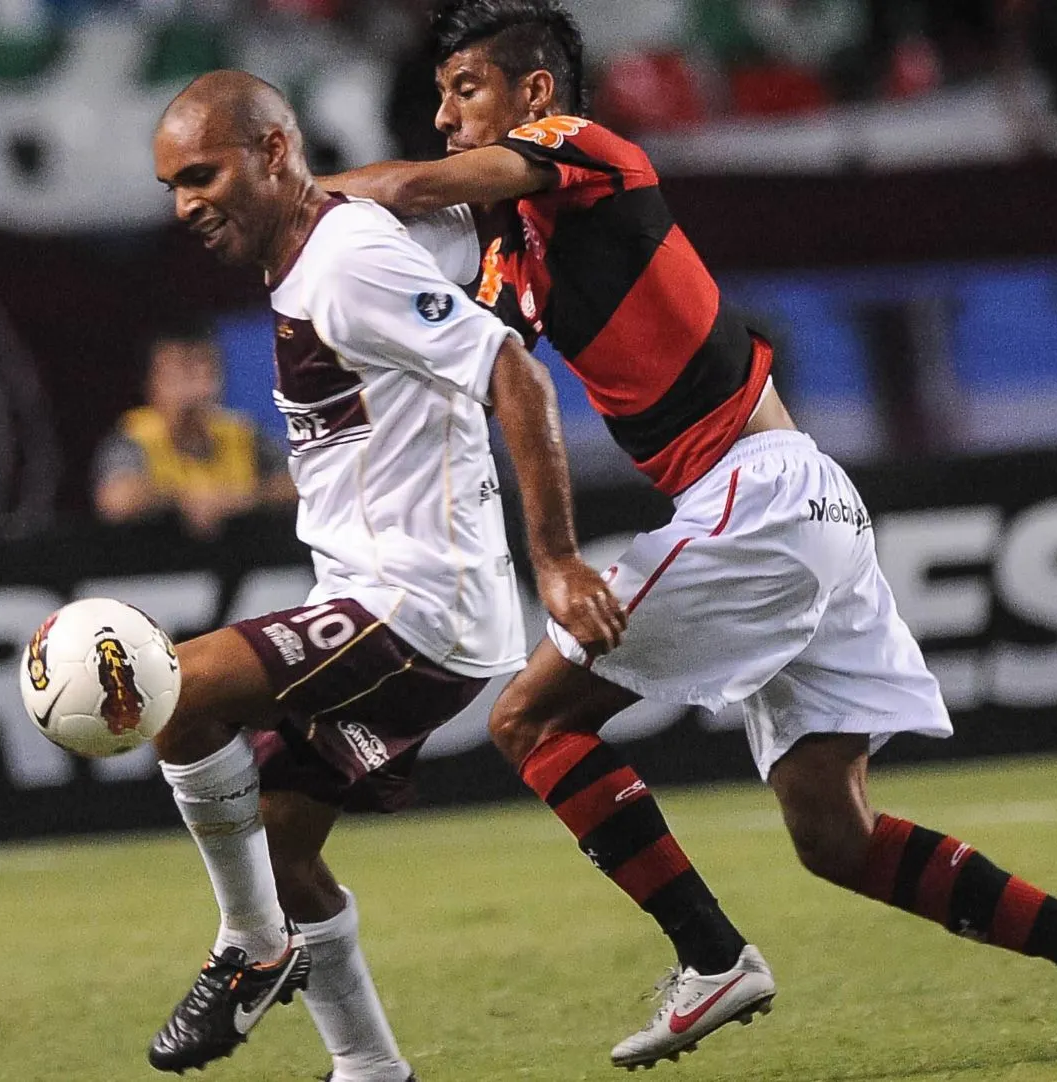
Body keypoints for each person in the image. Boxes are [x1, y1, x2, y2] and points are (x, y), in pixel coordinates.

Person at [325, 0, 1057, 1066]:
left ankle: (711, 953)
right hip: (806, 498)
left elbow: (406, 187)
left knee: (532, 721)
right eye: (443, 96)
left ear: (534, 94)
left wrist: (295, 202)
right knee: (836, 835)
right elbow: (471, 346)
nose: (446, 117)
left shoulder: (589, 151)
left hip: (755, 496)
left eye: (467, 92)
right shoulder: (522, 245)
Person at [140, 70, 631, 1080]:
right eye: (171, 187)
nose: (186, 202)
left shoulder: (346, 260)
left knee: (172, 688)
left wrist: (556, 558)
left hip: (416, 602)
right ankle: (371, 1068)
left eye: (202, 173)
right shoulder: (315, 251)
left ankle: (252, 944)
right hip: (380, 602)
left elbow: (512, 371)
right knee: (282, 841)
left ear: (274, 152)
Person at [93, 322, 295, 538]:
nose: (192, 390)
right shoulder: (135, 437)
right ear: (151, 384)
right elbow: (115, 501)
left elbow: (298, 485)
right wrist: (183, 500)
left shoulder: (242, 433)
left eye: (204, 372)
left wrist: (238, 499)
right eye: (178, 375)